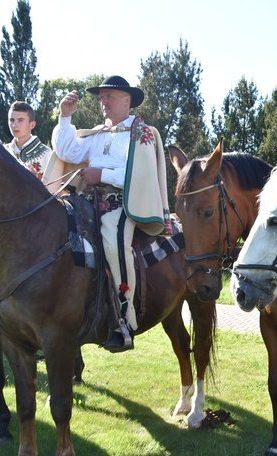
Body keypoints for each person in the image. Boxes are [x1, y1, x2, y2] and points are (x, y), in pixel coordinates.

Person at [51, 75, 171, 353]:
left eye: (110, 97)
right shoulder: (98, 133)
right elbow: (67, 150)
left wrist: (100, 173)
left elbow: (140, 173)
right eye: (101, 97)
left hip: (121, 203)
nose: (103, 103)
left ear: (127, 100)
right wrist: (65, 117)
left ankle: (124, 321)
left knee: (115, 246)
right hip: (86, 199)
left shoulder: (141, 134)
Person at [4, 101, 52, 180]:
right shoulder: (2, 151)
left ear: (32, 124)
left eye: (20, 120)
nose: (14, 125)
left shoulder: (47, 155)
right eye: (12, 120)